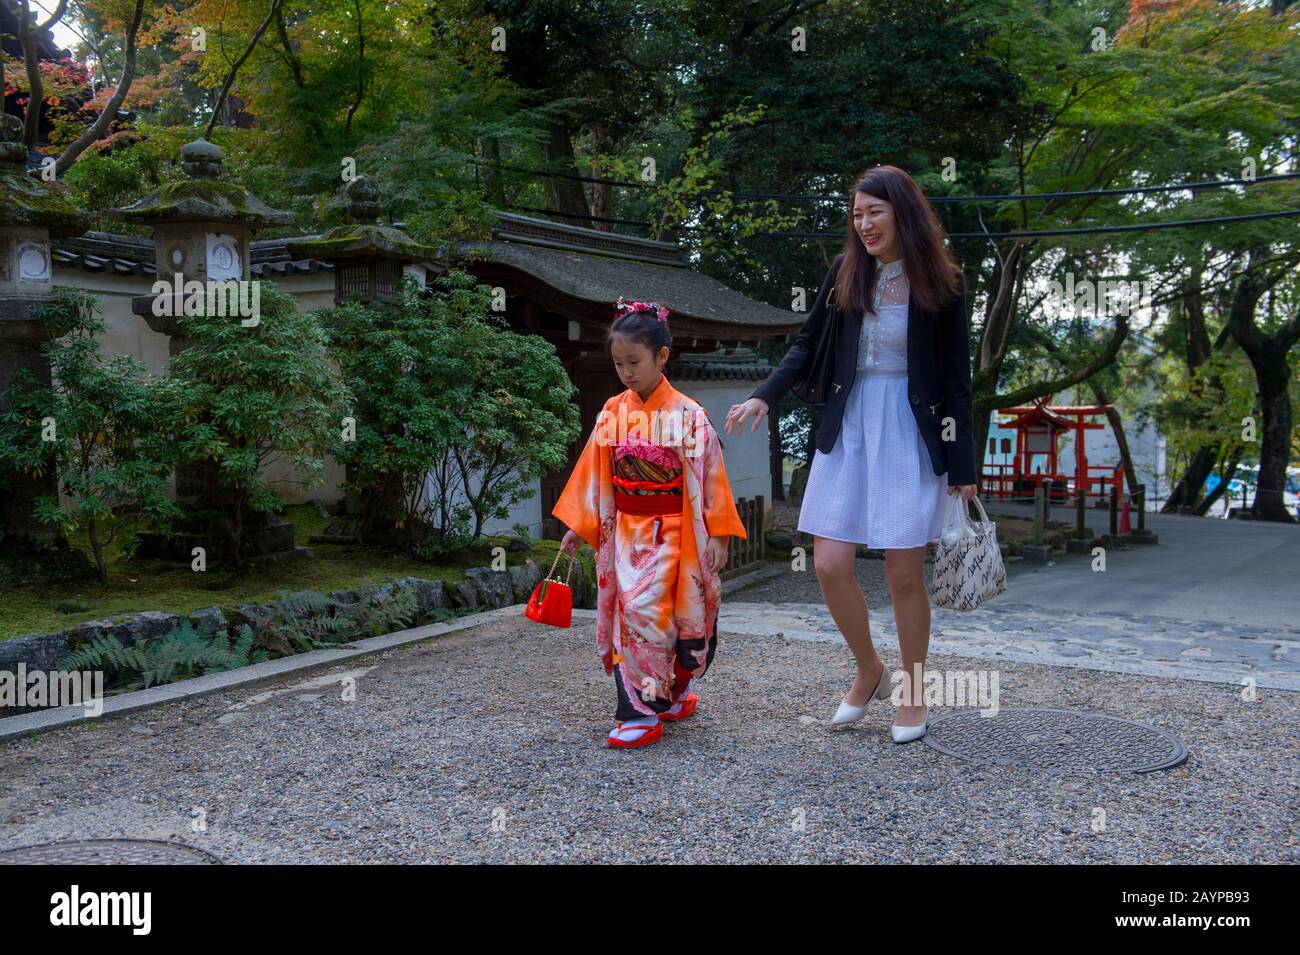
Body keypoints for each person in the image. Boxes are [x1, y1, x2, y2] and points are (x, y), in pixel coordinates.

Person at [725, 165, 978, 744]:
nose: (863, 223)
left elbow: (957, 381)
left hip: (910, 432)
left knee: (903, 571)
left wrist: (961, 466)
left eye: (874, 211)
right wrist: (765, 395)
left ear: (902, 212)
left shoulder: (943, 282)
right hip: (849, 426)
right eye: (857, 213)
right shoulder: (846, 273)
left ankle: (913, 693)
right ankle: (870, 668)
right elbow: (809, 343)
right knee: (830, 562)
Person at [553, 297, 748, 749]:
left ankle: (674, 691)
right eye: (618, 363)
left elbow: (712, 478)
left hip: (675, 535)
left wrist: (717, 533)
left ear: (662, 356)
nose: (625, 372)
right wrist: (581, 527)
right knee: (633, 616)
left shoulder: (688, 416)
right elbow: (594, 475)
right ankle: (639, 711)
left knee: (680, 623)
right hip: (626, 533)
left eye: (634, 361)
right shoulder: (612, 412)